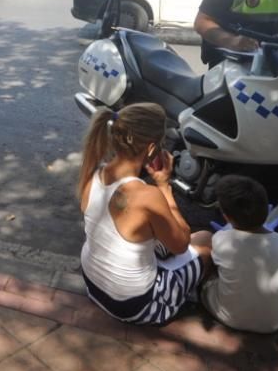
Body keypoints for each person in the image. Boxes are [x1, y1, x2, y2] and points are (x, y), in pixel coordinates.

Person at [78, 103, 213, 326]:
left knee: (159, 238)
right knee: (206, 240)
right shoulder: (147, 195)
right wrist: (164, 187)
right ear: (151, 148)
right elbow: (181, 243)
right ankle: (186, 297)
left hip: (93, 285)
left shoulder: (92, 173)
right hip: (136, 305)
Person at [201, 176, 278, 333]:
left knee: (206, 262)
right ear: (265, 210)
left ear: (226, 216)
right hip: (276, 323)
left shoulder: (222, 238)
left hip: (229, 318)